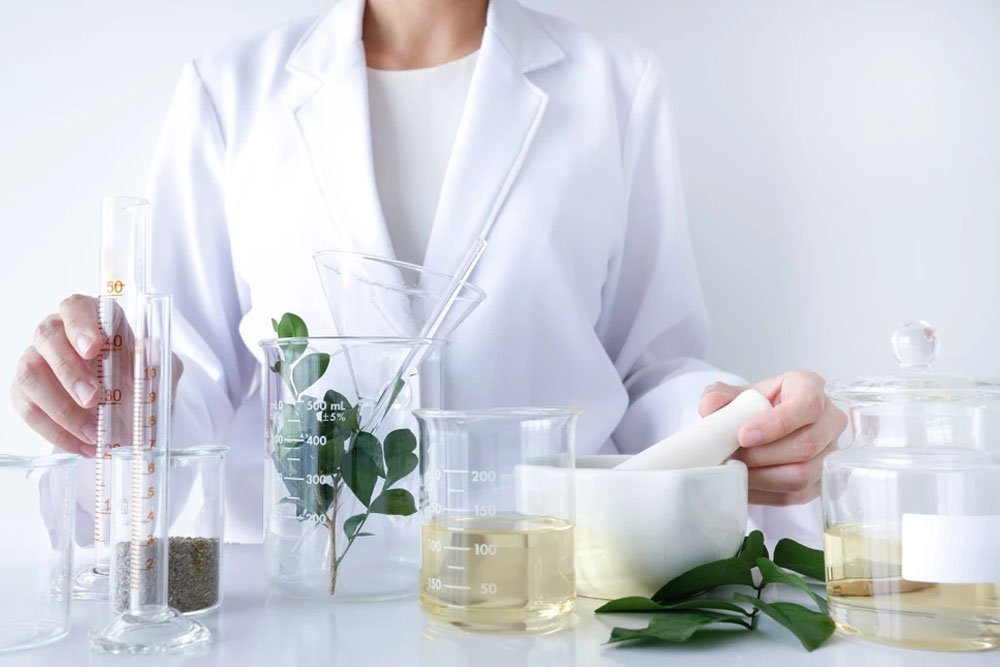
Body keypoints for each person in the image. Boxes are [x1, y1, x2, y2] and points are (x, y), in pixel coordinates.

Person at [10, 0, 846, 543]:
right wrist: (111, 401)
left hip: (545, 591)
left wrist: (734, 425)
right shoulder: (231, 92)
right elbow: (181, 380)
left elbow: (648, 369)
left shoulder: (615, 87)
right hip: (300, 603)